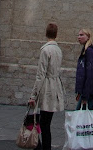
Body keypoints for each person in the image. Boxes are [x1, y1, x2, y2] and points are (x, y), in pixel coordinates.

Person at [28, 22, 64, 150]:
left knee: (43, 123)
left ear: (46, 33)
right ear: (56, 34)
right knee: (46, 123)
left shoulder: (45, 50)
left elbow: (40, 75)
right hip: (55, 86)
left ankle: (42, 147)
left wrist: (33, 95)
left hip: (47, 88)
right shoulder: (58, 50)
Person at [75, 28, 93, 109]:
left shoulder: (89, 51)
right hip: (91, 90)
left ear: (88, 37)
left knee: (81, 115)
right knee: (88, 115)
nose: (79, 37)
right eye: (78, 35)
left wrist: (85, 95)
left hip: (91, 91)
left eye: (81, 35)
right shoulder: (88, 49)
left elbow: (90, 73)